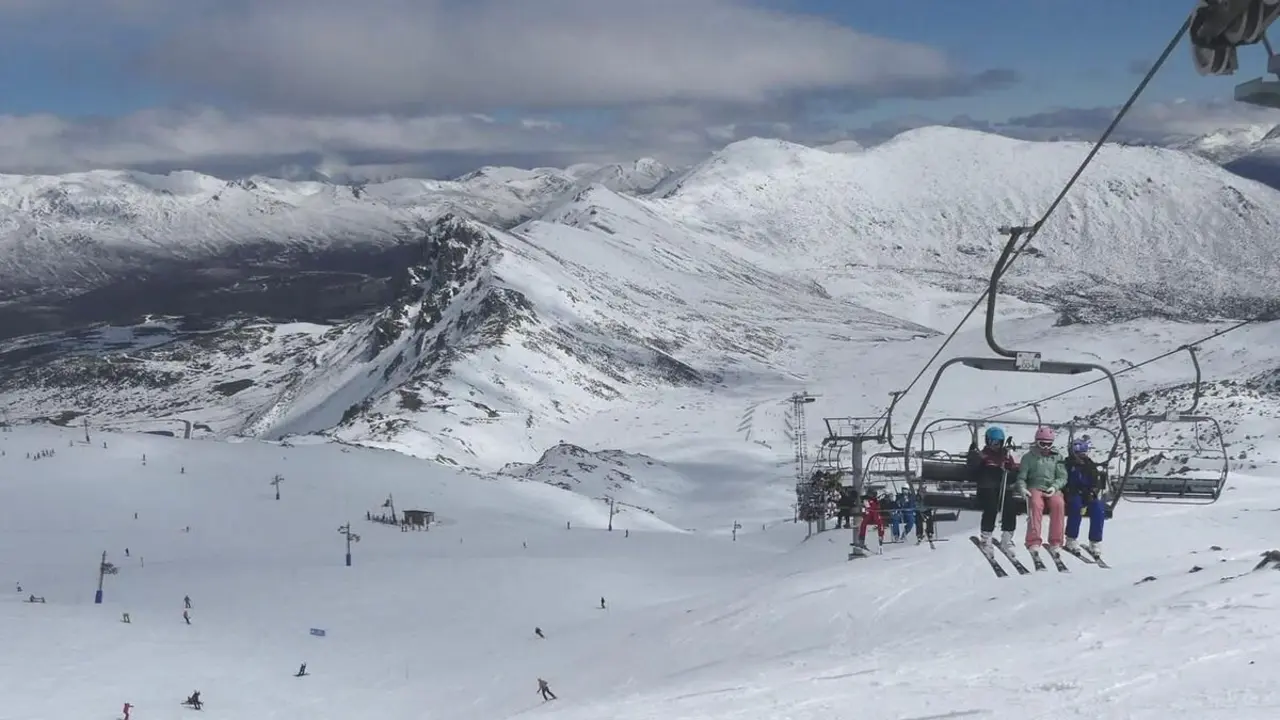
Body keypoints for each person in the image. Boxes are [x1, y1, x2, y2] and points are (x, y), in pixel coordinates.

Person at [1015, 427, 1068, 554]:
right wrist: (1022, 487)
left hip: (1051, 487)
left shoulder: (1057, 457)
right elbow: (1021, 477)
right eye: (1042, 444)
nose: (1045, 447)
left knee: (1058, 504)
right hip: (1035, 486)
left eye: (1048, 444)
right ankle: (1033, 541)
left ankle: (1056, 541)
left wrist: (1055, 487)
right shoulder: (1029, 457)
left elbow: (1062, 477)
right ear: (1036, 442)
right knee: (1036, 504)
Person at [967, 426, 1020, 550]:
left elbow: (1013, 471)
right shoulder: (982, 455)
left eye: (999, 443)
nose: (996, 445)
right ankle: (986, 537)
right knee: (991, 507)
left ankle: (1007, 537)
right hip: (986, 489)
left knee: (1010, 506)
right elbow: (973, 469)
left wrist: (1010, 470)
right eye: (993, 442)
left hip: (1001, 489)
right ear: (987, 441)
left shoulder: (1005, 456)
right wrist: (973, 456)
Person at [1063, 436, 1106, 556]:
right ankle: (1071, 538)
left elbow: (1095, 481)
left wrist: (1092, 491)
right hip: (1073, 493)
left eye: (1083, 453)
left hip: (1087, 494)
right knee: (1076, 506)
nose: (1081, 456)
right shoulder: (1068, 465)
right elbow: (1064, 481)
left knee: (1098, 508)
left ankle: (1095, 541)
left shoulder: (1090, 465)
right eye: (1078, 453)